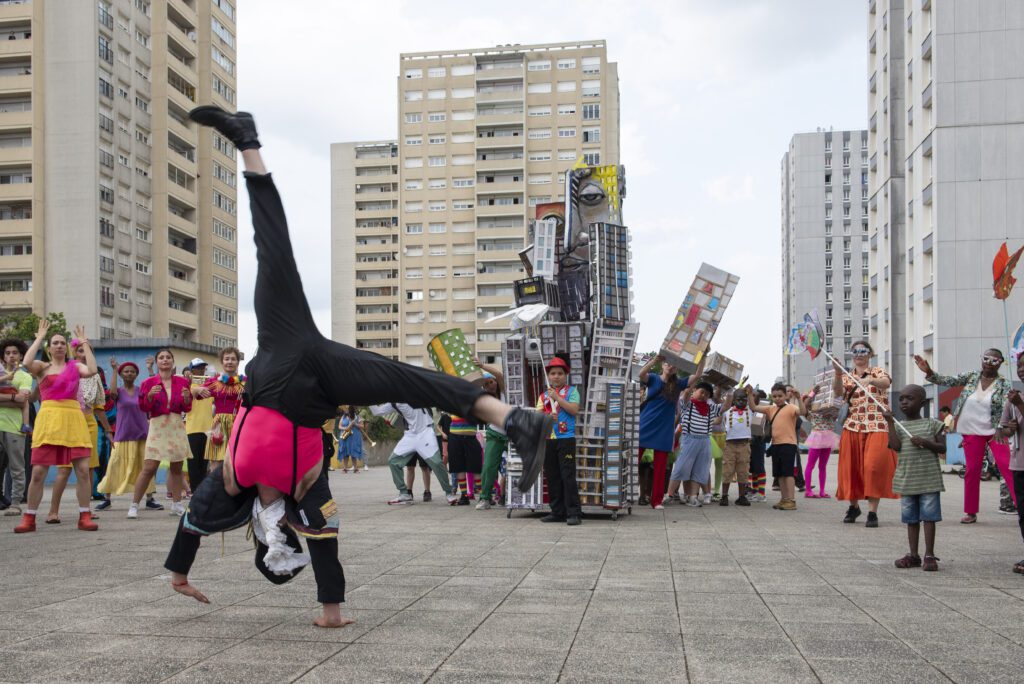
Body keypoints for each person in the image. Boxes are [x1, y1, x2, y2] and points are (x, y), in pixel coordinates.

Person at [165, 107, 552, 628]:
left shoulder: (233, 480)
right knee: (407, 379)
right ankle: (517, 420)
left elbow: (193, 520)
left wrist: (179, 574)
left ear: (260, 523)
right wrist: (331, 612)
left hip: (283, 343)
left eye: (270, 529)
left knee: (272, 248)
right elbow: (324, 540)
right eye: (285, 529)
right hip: (321, 377)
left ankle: (246, 141)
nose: (277, 516)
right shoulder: (306, 489)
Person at [13, 322, 100, 533]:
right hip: (49, 422)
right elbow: (25, 362)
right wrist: (39, 337)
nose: (59, 346)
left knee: (81, 470)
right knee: (38, 473)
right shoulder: (42, 368)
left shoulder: (75, 367)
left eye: (63, 343)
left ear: (67, 347)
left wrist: (85, 342)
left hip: (73, 421)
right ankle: (30, 518)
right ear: (49, 348)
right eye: (55, 343)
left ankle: (84, 515)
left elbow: (93, 369)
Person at [914, 351, 1014, 524]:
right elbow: (947, 381)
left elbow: (1007, 406)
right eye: (986, 358)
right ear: (981, 360)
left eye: (994, 360)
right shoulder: (971, 376)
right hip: (971, 430)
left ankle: (1020, 505)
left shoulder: (1004, 383)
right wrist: (928, 371)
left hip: (995, 431)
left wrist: (1002, 427)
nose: (989, 362)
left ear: (1000, 363)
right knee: (972, 470)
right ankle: (970, 511)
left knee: (1008, 467)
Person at [45, 340, 113, 523]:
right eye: (80, 350)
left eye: (88, 351)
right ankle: (53, 511)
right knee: (64, 469)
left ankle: (86, 510)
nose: (84, 354)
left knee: (87, 469)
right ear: (74, 352)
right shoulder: (66, 371)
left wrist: (108, 430)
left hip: (89, 422)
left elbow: (99, 406)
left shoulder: (95, 375)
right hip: (68, 421)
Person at [834, 341, 897, 527]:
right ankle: (854, 507)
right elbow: (838, 393)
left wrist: (870, 380)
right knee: (851, 468)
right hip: (853, 426)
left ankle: (872, 512)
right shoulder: (847, 376)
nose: (859, 354)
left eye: (863, 351)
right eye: (855, 351)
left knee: (873, 467)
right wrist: (838, 374)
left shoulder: (877, 371)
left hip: (877, 425)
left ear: (870, 354)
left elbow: (886, 382)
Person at [886, 384, 944, 572]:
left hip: (929, 480)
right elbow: (895, 446)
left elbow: (942, 448)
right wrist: (890, 423)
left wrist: (926, 443)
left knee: (929, 517)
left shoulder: (931, 423)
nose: (904, 402)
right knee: (911, 519)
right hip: (908, 480)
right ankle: (913, 555)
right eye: (901, 398)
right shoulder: (899, 426)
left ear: (922, 402)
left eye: (909, 398)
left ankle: (929, 554)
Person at [129, 348, 192, 519]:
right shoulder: (148, 383)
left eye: (168, 357)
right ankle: (134, 504)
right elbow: (143, 407)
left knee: (177, 468)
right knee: (149, 467)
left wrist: (187, 398)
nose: (165, 360)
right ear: (157, 362)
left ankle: (177, 504)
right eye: (161, 358)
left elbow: (187, 407)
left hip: (176, 424)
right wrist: (149, 396)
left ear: (173, 361)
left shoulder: (182, 382)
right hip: (158, 425)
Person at [97, 360, 159, 509]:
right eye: (126, 371)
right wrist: (114, 370)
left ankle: (149, 499)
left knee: (146, 467)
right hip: (123, 434)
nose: (129, 373)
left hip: (143, 434)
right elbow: (111, 392)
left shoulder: (142, 390)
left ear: (137, 374)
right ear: (121, 375)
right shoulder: (118, 392)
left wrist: (150, 369)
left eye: (132, 371)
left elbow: (154, 389)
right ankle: (107, 498)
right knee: (113, 466)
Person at [636, 354, 690, 510]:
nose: (670, 366)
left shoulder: (678, 384)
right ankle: (626, 494)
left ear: (676, 369)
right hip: (646, 424)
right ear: (663, 365)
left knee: (661, 468)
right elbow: (641, 374)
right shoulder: (653, 378)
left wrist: (704, 355)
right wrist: (655, 360)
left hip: (665, 429)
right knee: (633, 462)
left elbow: (697, 375)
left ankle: (656, 500)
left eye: (673, 365)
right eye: (667, 363)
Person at [380, 403, 458, 505]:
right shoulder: (397, 403)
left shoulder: (418, 395)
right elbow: (380, 411)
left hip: (425, 434)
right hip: (410, 435)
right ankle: (406, 493)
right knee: (400, 464)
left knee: (432, 464)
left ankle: (440, 492)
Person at [537, 357, 582, 525]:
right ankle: (557, 511)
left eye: (560, 373)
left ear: (566, 375)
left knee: (567, 476)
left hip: (566, 439)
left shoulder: (572, 392)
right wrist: (548, 417)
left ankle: (574, 512)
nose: (556, 376)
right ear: (548, 376)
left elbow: (574, 410)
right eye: (553, 373)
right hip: (549, 440)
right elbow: (537, 417)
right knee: (553, 476)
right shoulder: (543, 396)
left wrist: (557, 397)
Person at [748, 382, 804, 510]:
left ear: (785, 396)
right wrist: (750, 394)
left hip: (789, 444)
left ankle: (791, 500)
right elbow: (754, 407)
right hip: (776, 444)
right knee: (780, 474)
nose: (777, 398)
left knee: (788, 473)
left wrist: (799, 398)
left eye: (780, 395)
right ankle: (784, 499)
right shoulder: (770, 409)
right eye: (774, 396)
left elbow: (802, 411)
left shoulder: (791, 407)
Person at [666, 379, 721, 507]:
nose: (704, 396)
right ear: (695, 391)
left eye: (707, 394)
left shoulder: (710, 407)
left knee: (700, 469)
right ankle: (669, 494)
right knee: (680, 468)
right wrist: (692, 384)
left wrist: (729, 392)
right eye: (702, 392)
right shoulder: (688, 404)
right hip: (689, 438)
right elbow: (685, 395)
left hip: (705, 440)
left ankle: (693, 497)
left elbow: (724, 407)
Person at [0, 338, 32, 517]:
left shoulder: (24, 376)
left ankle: (15, 502)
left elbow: (23, 400)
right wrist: (13, 399)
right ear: (3, 356)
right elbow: (17, 399)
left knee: (17, 467)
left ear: (21, 355)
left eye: (15, 353)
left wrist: (10, 400)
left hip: (15, 427)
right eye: (7, 353)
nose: (11, 356)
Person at [999, 353, 1024, 574]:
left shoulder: (1017, 400)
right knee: (1023, 512)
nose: (1022, 369)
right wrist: (1009, 429)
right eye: (1020, 365)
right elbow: (1002, 430)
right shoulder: (1013, 398)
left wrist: (1021, 405)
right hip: (1019, 463)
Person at [200, 348, 245, 467]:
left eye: (233, 359)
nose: (230, 362)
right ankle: (216, 485)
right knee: (216, 462)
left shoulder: (246, 382)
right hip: (219, 425)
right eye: (227, 359)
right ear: (222, 361)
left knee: (236, 462)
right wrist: (196, 389)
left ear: (238, 362)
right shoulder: (214, 381)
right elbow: (197, 394)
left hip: (239, 423)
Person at [476, 363, 509, 510]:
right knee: (489, 467)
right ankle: (485, 498)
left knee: (518, 467)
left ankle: (509, 496)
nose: (491, 384)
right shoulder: (483, 398)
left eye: (492, 381)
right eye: (487, 383)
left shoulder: (504, 392)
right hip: (495, 434)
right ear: (484, 387)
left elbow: (500, 375)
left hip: (513, 434)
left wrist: (482, 365)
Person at [802, 387, 842, 499]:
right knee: (811, 465)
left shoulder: (827, 409)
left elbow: (836, 415)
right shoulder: (810, 412)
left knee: (823, 466)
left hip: (828, 437)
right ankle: (808, 490)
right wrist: (813, 392)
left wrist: (835, 410)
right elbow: (805, 404)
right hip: (817, 437)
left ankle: (822, 491)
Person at [184, 358, 213, 491]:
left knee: (204, 463)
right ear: (192, 370)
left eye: (203, 367)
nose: (201, 370)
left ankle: (202, 491)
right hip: (193, 429)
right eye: (198, 368)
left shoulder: (209, 385)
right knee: (193, 463)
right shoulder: (187, 386)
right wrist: (191, 384)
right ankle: (195, 491)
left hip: (208, 429)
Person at [720, 389, 752, 506]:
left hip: (744, 445)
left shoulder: (750, 411)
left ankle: (742, 496)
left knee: (743, 471)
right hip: (730, 446)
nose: (741, 402)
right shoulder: (727, 411)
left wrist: (750, 392)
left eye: (744, 399)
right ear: (733, 400)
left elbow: (755, 400)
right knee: (727, 471)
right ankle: (724, 496)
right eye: (738, 399)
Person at [747, 389, 769, 502]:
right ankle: (754, 491)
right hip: (749, 443)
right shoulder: (747, 409)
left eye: (754, 395)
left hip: (758, 443)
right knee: (752, 468)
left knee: (759, 468)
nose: (750, 396)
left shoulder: (763, 410)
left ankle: (761, 493)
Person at [334, 405, 369, 473]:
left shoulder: (357, 417)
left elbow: (362, 426)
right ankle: (345, 468)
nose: (345, 410)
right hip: (345, 436)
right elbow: (339, 426)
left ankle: (355, 468)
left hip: (354, 436)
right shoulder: (343, 417)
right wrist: (345, 428)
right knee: (345, 452)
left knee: (353, 452)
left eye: (347, 409)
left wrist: (355, 424)